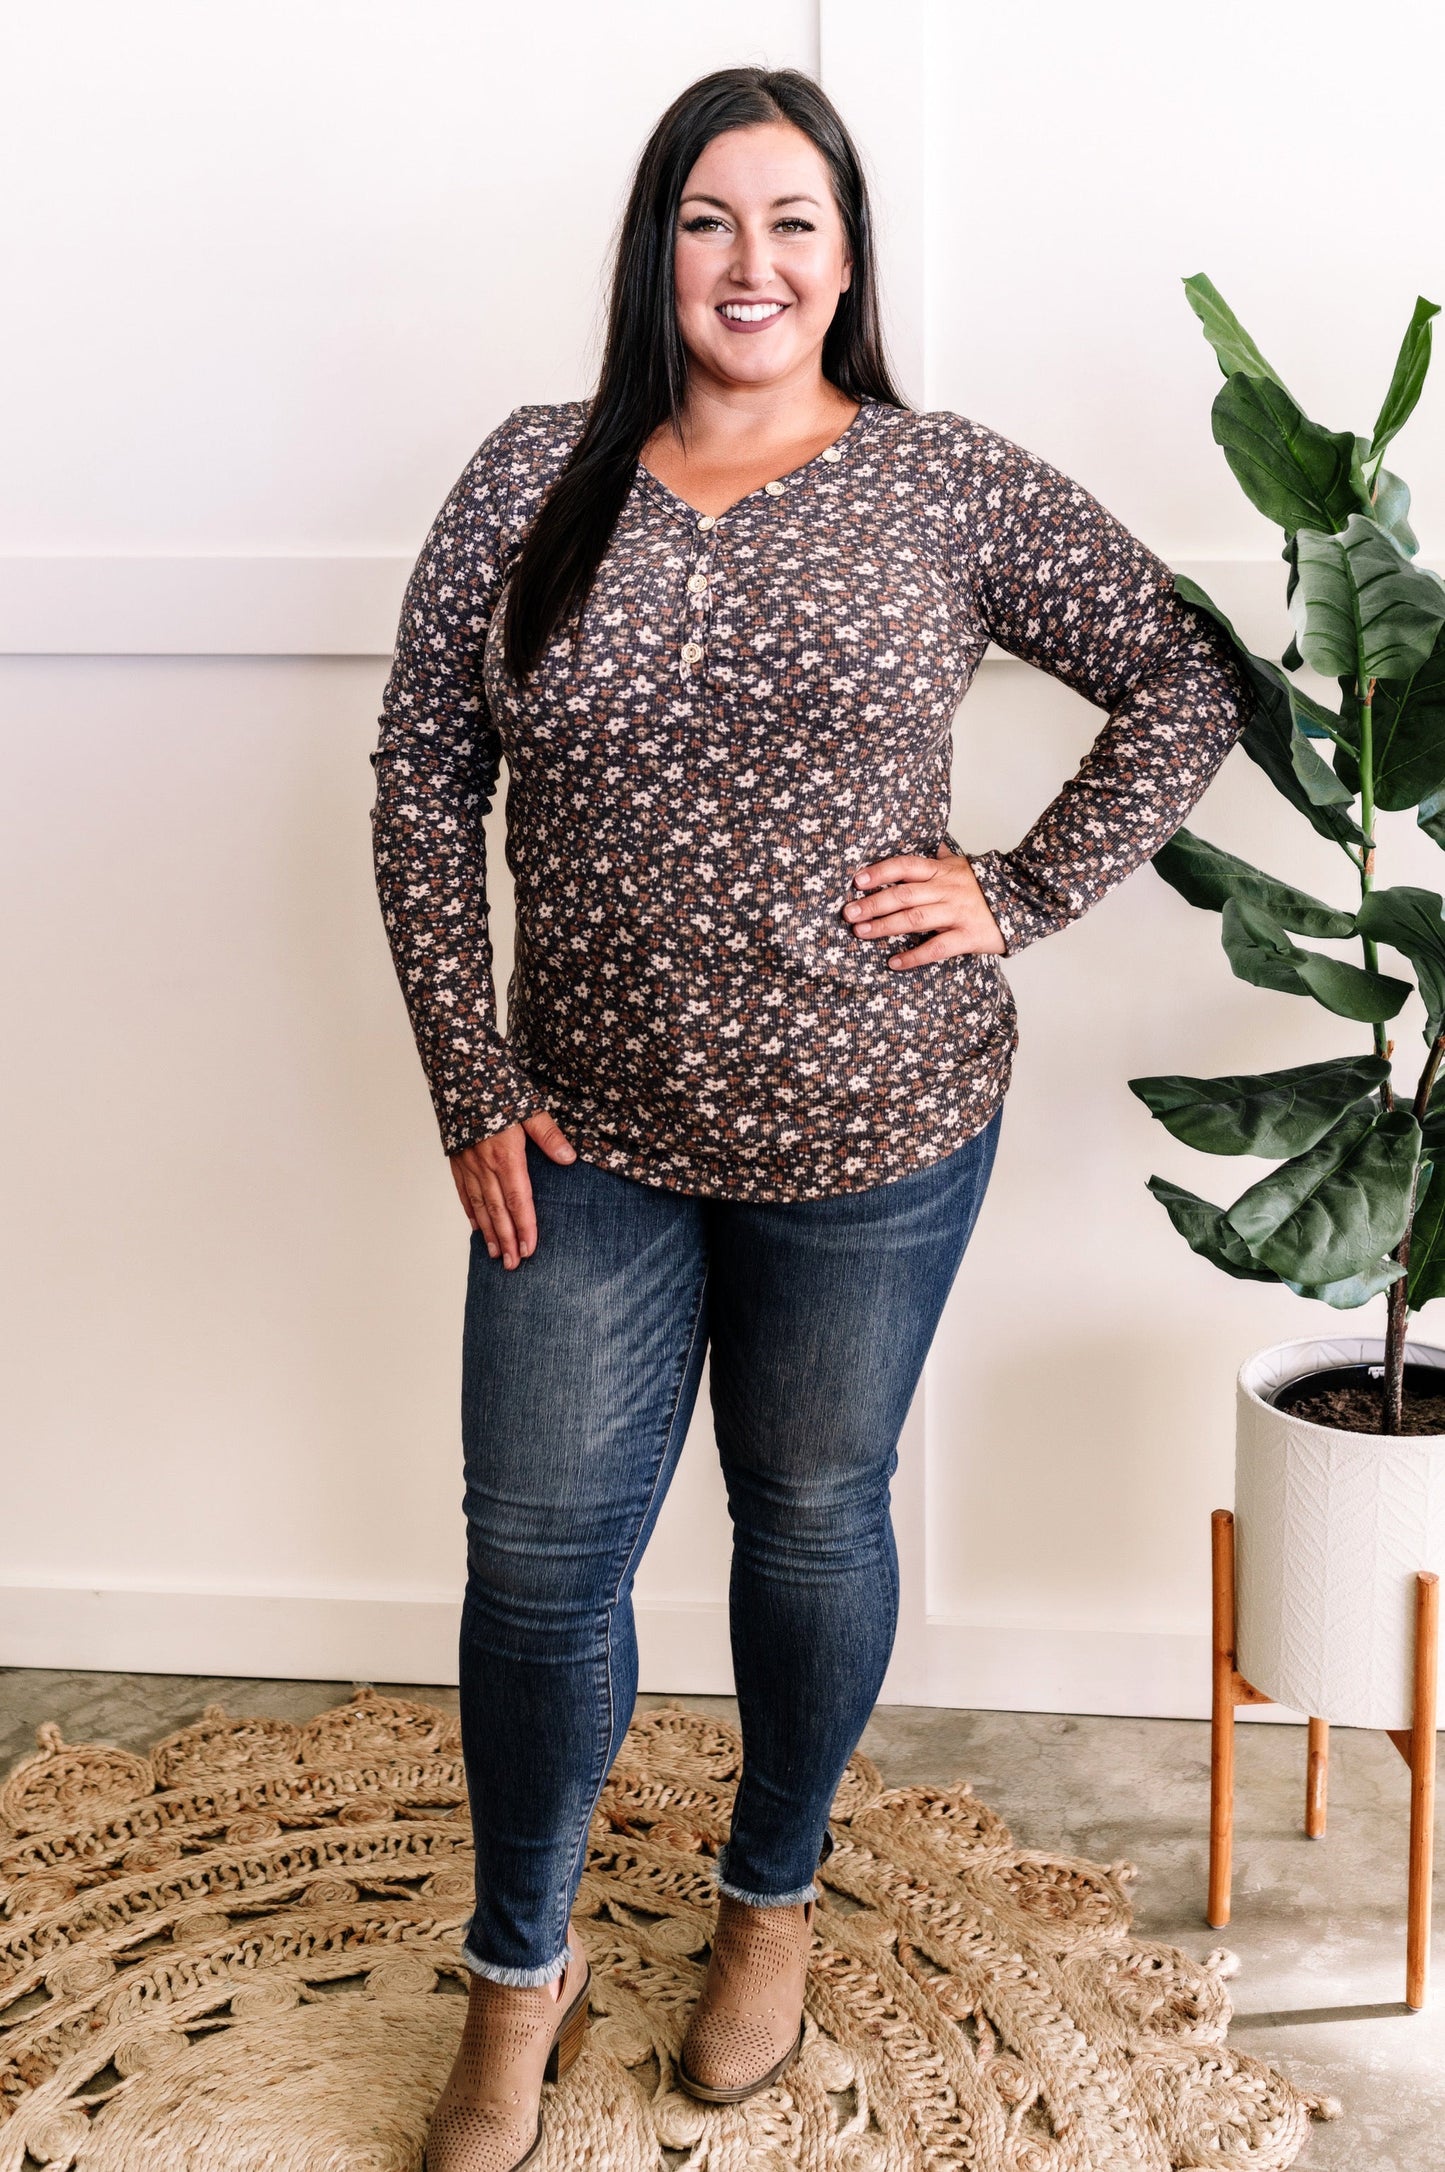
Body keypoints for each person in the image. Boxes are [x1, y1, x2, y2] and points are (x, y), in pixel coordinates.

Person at [370, 63, 1251, 2172]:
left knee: (813, 1519)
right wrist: (467, 1077)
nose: (748, 264)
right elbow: (422, 772)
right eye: (707, 220)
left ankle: (769, 1904)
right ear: (653, 248)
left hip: (879, 1137)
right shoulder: (533, 474)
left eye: (792, 223)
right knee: (536, 1566)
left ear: (848, 257)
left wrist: (1021, 890)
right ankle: (521, 1968)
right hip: (575, 1136)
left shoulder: (941, 482)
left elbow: (1188, 672)